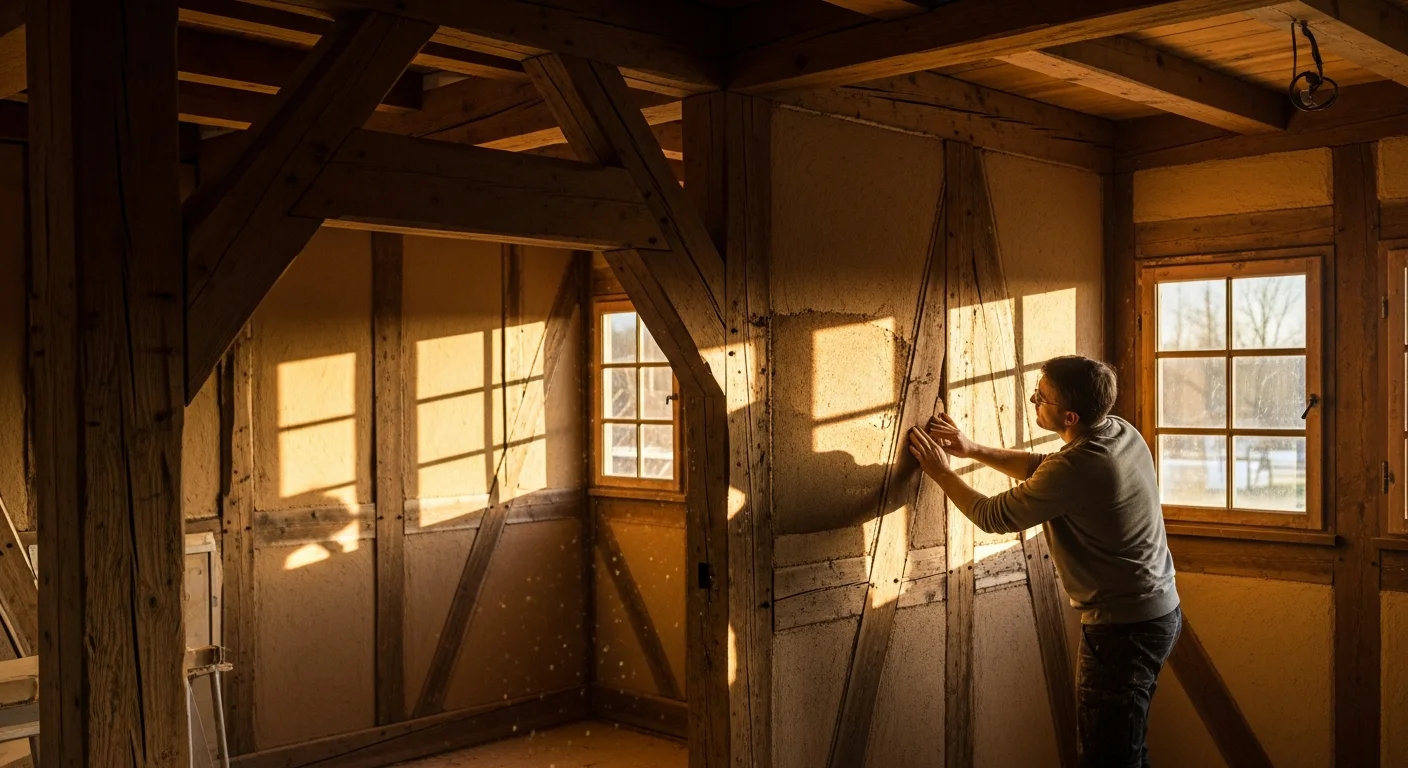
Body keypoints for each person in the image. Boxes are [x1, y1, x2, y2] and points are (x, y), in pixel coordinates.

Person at [907, 355, 1180, 768]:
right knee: (1125, 747)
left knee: (1106, 758)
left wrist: (942, 473)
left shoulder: (1081, 468)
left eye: (1042, 397)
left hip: (1123, 632)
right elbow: (1045, 468)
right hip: (1157, 614)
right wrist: (972, 449)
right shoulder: (1120, 431)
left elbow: (991, 516)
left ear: (1069, 416)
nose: (1034, 399)